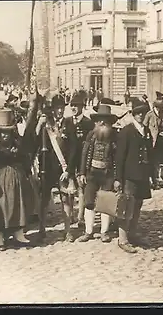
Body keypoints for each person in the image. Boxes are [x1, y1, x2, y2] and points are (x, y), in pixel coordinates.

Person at [0, 104, 39, 250]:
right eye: (2, 133)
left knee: (18, 205)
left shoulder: (17, 145)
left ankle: (18, 233)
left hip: (16, 180)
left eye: (8, 133)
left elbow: (25, 158)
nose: (5, 136)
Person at [35, 94, 78, 242]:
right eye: (57, 108)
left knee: (66, 199)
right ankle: (42, 228)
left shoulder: (69, 124)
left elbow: (74, 149)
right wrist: (39, 125)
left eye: (61, 108)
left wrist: (69, 170)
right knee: (45, 200)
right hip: (47, 167)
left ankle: (67, 231)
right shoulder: (46, 124)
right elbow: (34, 141)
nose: (59, 111)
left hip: (63, 169)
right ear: (52, 109)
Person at [76, 105, 119, 245]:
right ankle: (88, 231)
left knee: (105, 202)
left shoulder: (114, 136)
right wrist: (82, 172)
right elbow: (83, 153)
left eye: (105, 121)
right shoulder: (91, 135)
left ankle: (104, 232)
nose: (102, 123)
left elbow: (117, 158)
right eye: (100, 120)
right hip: (91, 173)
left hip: (107, 174)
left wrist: (116, 177)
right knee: (89, 202)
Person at [116, 98, 154, 249]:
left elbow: (150, 154)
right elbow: (119, 157)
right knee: (127, 205)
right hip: (129, 175)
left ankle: (132, 233)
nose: (140, 115)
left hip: (142, 175)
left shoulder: (146, 131)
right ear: (133, 114)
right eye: (137, 113)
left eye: (143, 113)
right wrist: (118, 178)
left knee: (138, 204)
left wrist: (152, 175)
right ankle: (122, 239)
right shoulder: (127, 131)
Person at [69, 94, 95, 228]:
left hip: (82, 160)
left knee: (81, 188)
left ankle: (81, 217)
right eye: (72, 105)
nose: (73, 108)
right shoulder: (67, 121)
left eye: (76, 106)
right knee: (69, 188)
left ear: (82, 107)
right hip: (69, 161)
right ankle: (70, 216)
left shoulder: (88, 123)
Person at [143, 91, 163, 189]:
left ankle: (158, 178)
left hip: (162, 142)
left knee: (160, 161)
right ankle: (153, 180)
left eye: (162, 107)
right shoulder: (149, 114)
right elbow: (144, 127)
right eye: (159, 107)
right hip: (151, 142)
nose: (161, 109)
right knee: (151, 161)